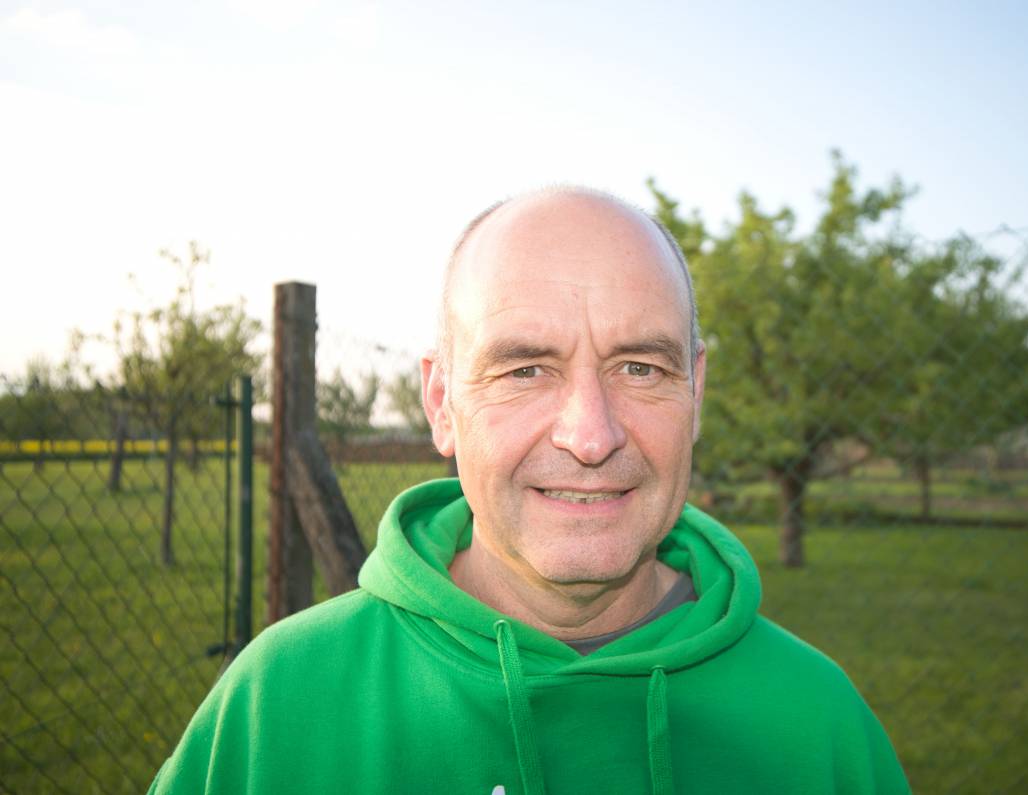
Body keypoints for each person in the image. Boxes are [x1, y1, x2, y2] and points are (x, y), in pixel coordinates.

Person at [148, 187, 910, 794]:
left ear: (696, 390)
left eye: (639, 367)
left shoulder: (818, 726)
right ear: (442, 402)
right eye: (525, 369)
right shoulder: (277, 705)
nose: (591, 435)